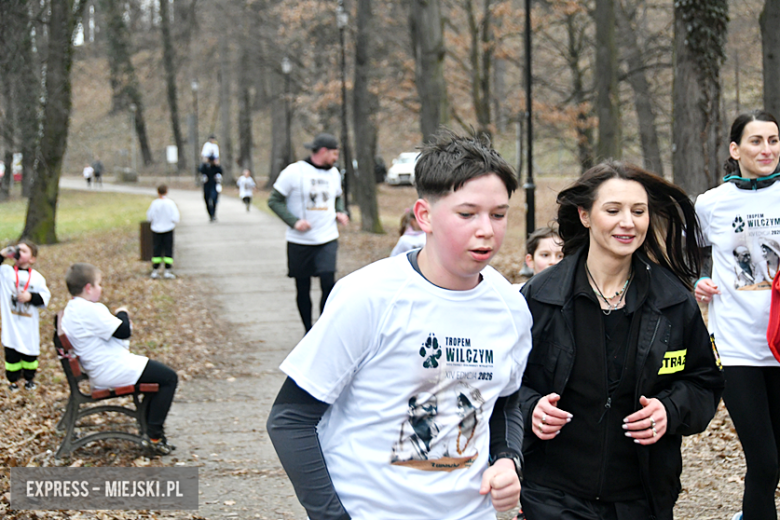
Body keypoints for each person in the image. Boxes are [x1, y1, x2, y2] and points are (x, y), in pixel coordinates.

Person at [267, 130, 533, 520]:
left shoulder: (511, 307)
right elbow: (290, 420)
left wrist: (508, 459)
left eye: (498, 214)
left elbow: (505, 402)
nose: (487, 230)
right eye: (467, 214)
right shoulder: (368, 296)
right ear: (424, 216)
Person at [519, 160, 725, 520]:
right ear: (585, 215)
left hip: (642, 496)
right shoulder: (540, 297)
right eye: (613, 210)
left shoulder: (673, 301)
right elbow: (502, 383)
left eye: (638, 211)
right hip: (553, 494)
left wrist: (670, 409)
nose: (628, 222)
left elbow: (704, 383)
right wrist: (530, 407)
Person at [694, 110, 780, 520]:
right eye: (756, 141)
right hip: (737, 348)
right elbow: (687, 254)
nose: (766, 149)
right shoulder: (711, 204)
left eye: (773, 140)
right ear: (735, 149)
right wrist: (698, 280)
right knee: (764, 461)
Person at [61, 263, 178, 455]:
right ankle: (154, 437)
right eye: (99, 284)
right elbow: (123, 331)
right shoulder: (88, 309)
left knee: (159, 377)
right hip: (110, 368)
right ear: (88, 288)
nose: (101, 288)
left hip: (103, 365)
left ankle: (151, 431)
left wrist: (119, 318)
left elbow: (114, 330)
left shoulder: (73, 309)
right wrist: (122, 313)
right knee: (169, 378)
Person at [268, 132, 349, 332]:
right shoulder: (294, 172)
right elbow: (274, 201)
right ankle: (308, 329)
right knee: (302, 287)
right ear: (323, 151)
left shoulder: (334, 173)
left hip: (327, 237)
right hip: (300, 241)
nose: (336, 158)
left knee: (328, 283)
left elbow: (337, 197)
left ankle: (322, 329)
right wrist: (294, 221)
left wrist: (340, 211)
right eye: (334, 154)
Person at [1, 241, 51, 391]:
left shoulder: (37, 278)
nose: (19, 252)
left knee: (30, 353)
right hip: (11, 323)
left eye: (23, 251)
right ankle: (13, 381)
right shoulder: (5, 273)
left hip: (28, 323)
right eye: (18, 250)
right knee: (12, 354)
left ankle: (29, 379)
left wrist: (30, 297)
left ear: (32, 259)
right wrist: (3, 254)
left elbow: (44, 298)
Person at [146, 184, 180, 279]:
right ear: (166, 191)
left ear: (158, 192)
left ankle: (155, 270)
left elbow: (149, 216)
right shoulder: (170, 203)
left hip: (156, 230)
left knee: (157, 249)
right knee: (168, 249)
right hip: (168, 229)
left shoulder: (154, 203)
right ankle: (167, 270)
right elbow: (176, 217)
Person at [200, 154, 222, 222]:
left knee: (214, 199)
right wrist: (204, 163)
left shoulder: (216, 167)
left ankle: (213, 214)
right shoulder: (205, 166)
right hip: (206, 185)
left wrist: (217, 165)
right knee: (207, 199)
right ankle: (210, 214)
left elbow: (221, 172)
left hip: (214, 184)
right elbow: (200, 170)